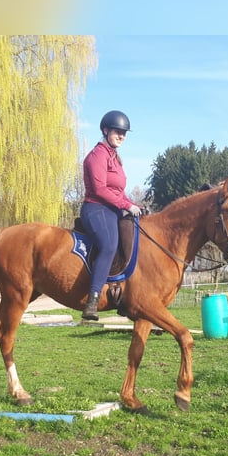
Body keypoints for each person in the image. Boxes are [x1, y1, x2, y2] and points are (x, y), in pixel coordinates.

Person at [80, 110, 141, 321]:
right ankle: (93, 300)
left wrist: (133, 204)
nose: (122, 136)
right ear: (106, 131)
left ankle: (123, 295)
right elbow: (100, 189)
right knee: (108, 245)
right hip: (96, 208)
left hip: (113, 208)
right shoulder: (97, 156)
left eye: (124, 133)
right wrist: (126, 205)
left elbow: (118, 192)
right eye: (117, 131)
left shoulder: (116, 159)